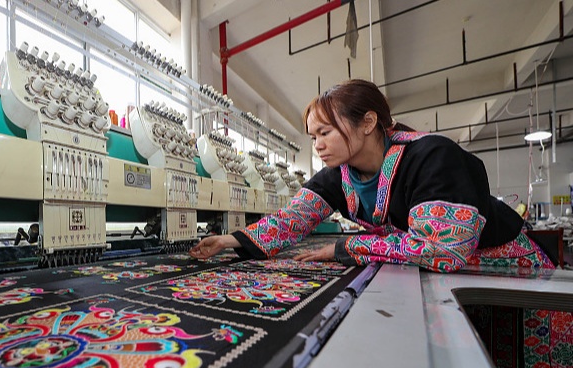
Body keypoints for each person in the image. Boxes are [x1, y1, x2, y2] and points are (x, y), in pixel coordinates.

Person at [189, 79, 554, 272]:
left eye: (325, 133)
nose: (317, 145)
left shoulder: (432, 158)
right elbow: (292, 219)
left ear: (367, 123)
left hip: (506, 268)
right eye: (313, 137)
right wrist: (228, 241)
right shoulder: (340, 175)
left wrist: (345, 248)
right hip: (441, 280)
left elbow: (442, 251)